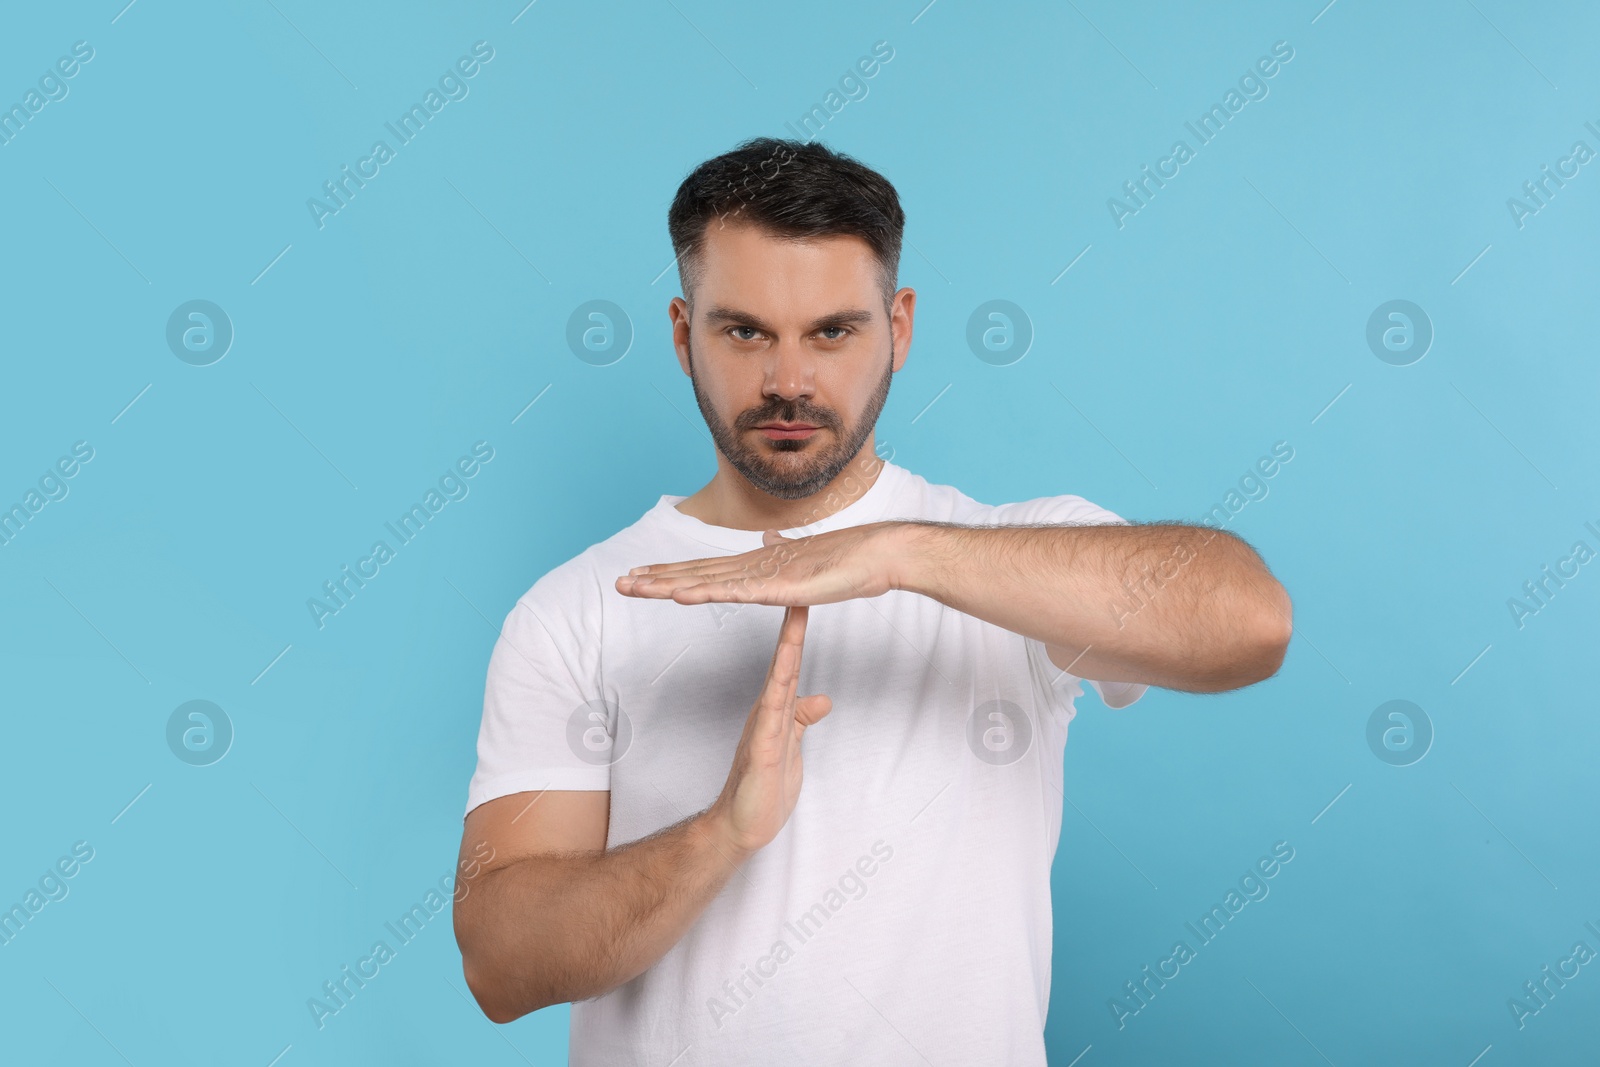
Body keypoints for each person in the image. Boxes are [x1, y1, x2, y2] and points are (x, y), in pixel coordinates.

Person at [453, 137, 1292, 1065]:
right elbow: (499, 962)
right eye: (744, 332)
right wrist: (718, 837)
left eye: (832, 332)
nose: (788, 381)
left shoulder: (1008, 561)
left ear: (898, 326)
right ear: (683, 334)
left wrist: (896, 553)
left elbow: (1251, 621)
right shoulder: (579, 609)